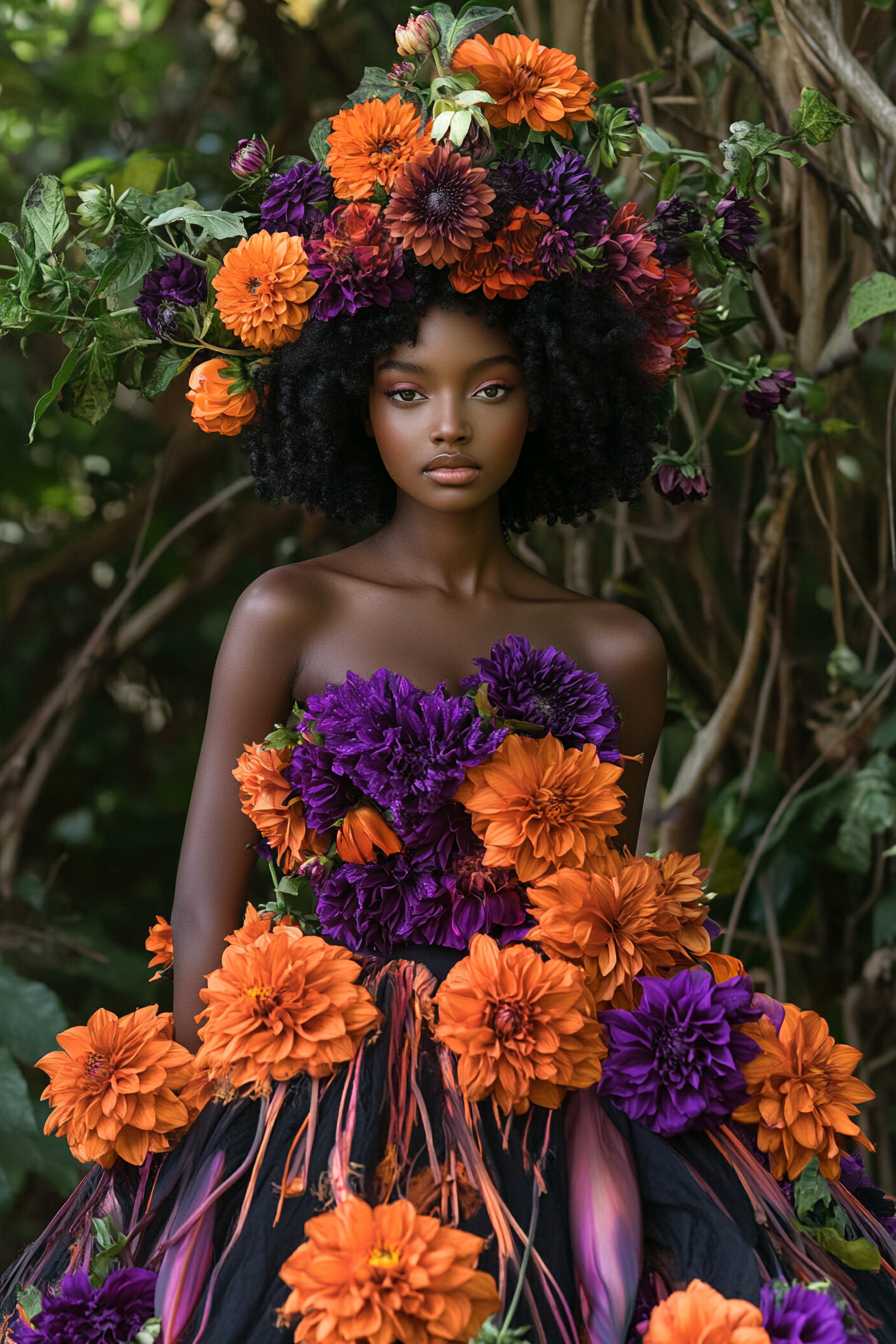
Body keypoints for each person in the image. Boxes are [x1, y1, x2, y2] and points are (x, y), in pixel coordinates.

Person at [3, 15, 896, 1344]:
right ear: (351, 405)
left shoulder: (614, 649)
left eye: (488, 387)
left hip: (550, 1076)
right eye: (408, 390)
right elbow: (206, 907)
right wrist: (216, 1152)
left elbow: (614, 920)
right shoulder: (290, 611)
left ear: (548, 399)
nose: (449, 426)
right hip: (313, 1074)